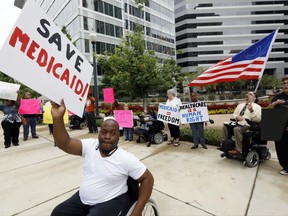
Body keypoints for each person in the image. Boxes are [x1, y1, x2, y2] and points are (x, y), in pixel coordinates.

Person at [50, 100, 154, 216]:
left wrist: (137, 211)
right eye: (103, 132)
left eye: (112, 133)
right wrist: (57, 118)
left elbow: (148, 179)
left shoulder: (125, 158)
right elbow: (64, 143)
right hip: (83, 199)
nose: (107, 137)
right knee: (57, 213)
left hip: (110, 201)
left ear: (118, 137)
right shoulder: (90, 146)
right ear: (99, 134)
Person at [271, 76, 288, 176]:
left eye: (287, 83)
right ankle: (285, 167)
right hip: (279, 127)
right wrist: (275, 103)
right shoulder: (278, 96)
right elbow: (269, 107)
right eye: (284, 83)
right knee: (281, 148)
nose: (286, 85)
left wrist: (285, 102)